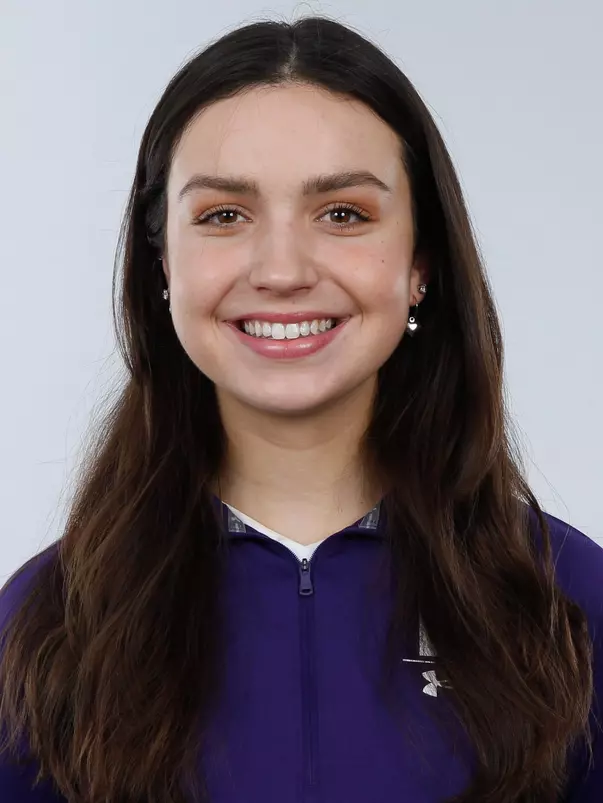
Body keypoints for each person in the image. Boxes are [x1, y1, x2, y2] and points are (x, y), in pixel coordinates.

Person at [0, 14, 601, 803]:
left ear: (420, 263)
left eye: (343, 213)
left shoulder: (567, 601)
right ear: (162, 267)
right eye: (224, 215)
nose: (281, 269)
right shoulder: (47, 625)